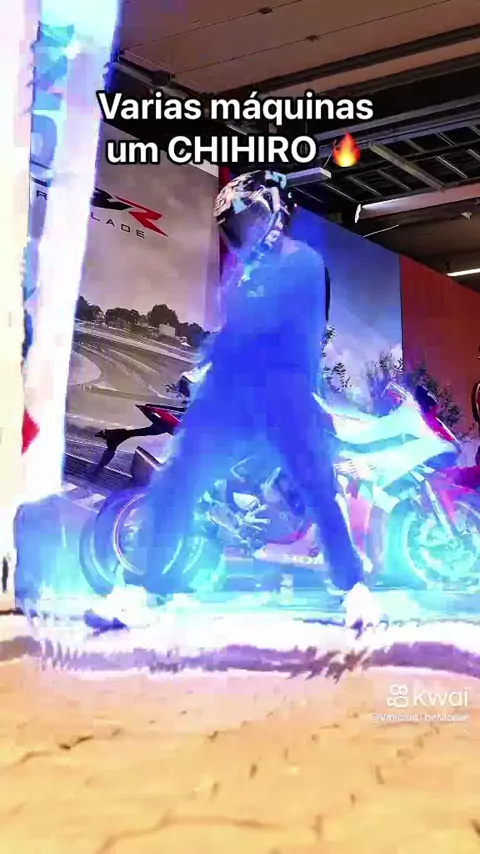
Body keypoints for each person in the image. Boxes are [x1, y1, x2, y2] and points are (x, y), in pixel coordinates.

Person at [87, 170, 380, 630]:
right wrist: (205, 370)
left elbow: (279, 333)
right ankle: (139, 591)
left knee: (320, 489)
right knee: (174, 482)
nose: (243, 232)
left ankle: (355, 591)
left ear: (275, 213)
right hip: (229, 398)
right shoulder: (242, 277)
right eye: (235, 226)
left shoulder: (302, 263)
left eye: (250, 219)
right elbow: (231, 335)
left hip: (284, 395)